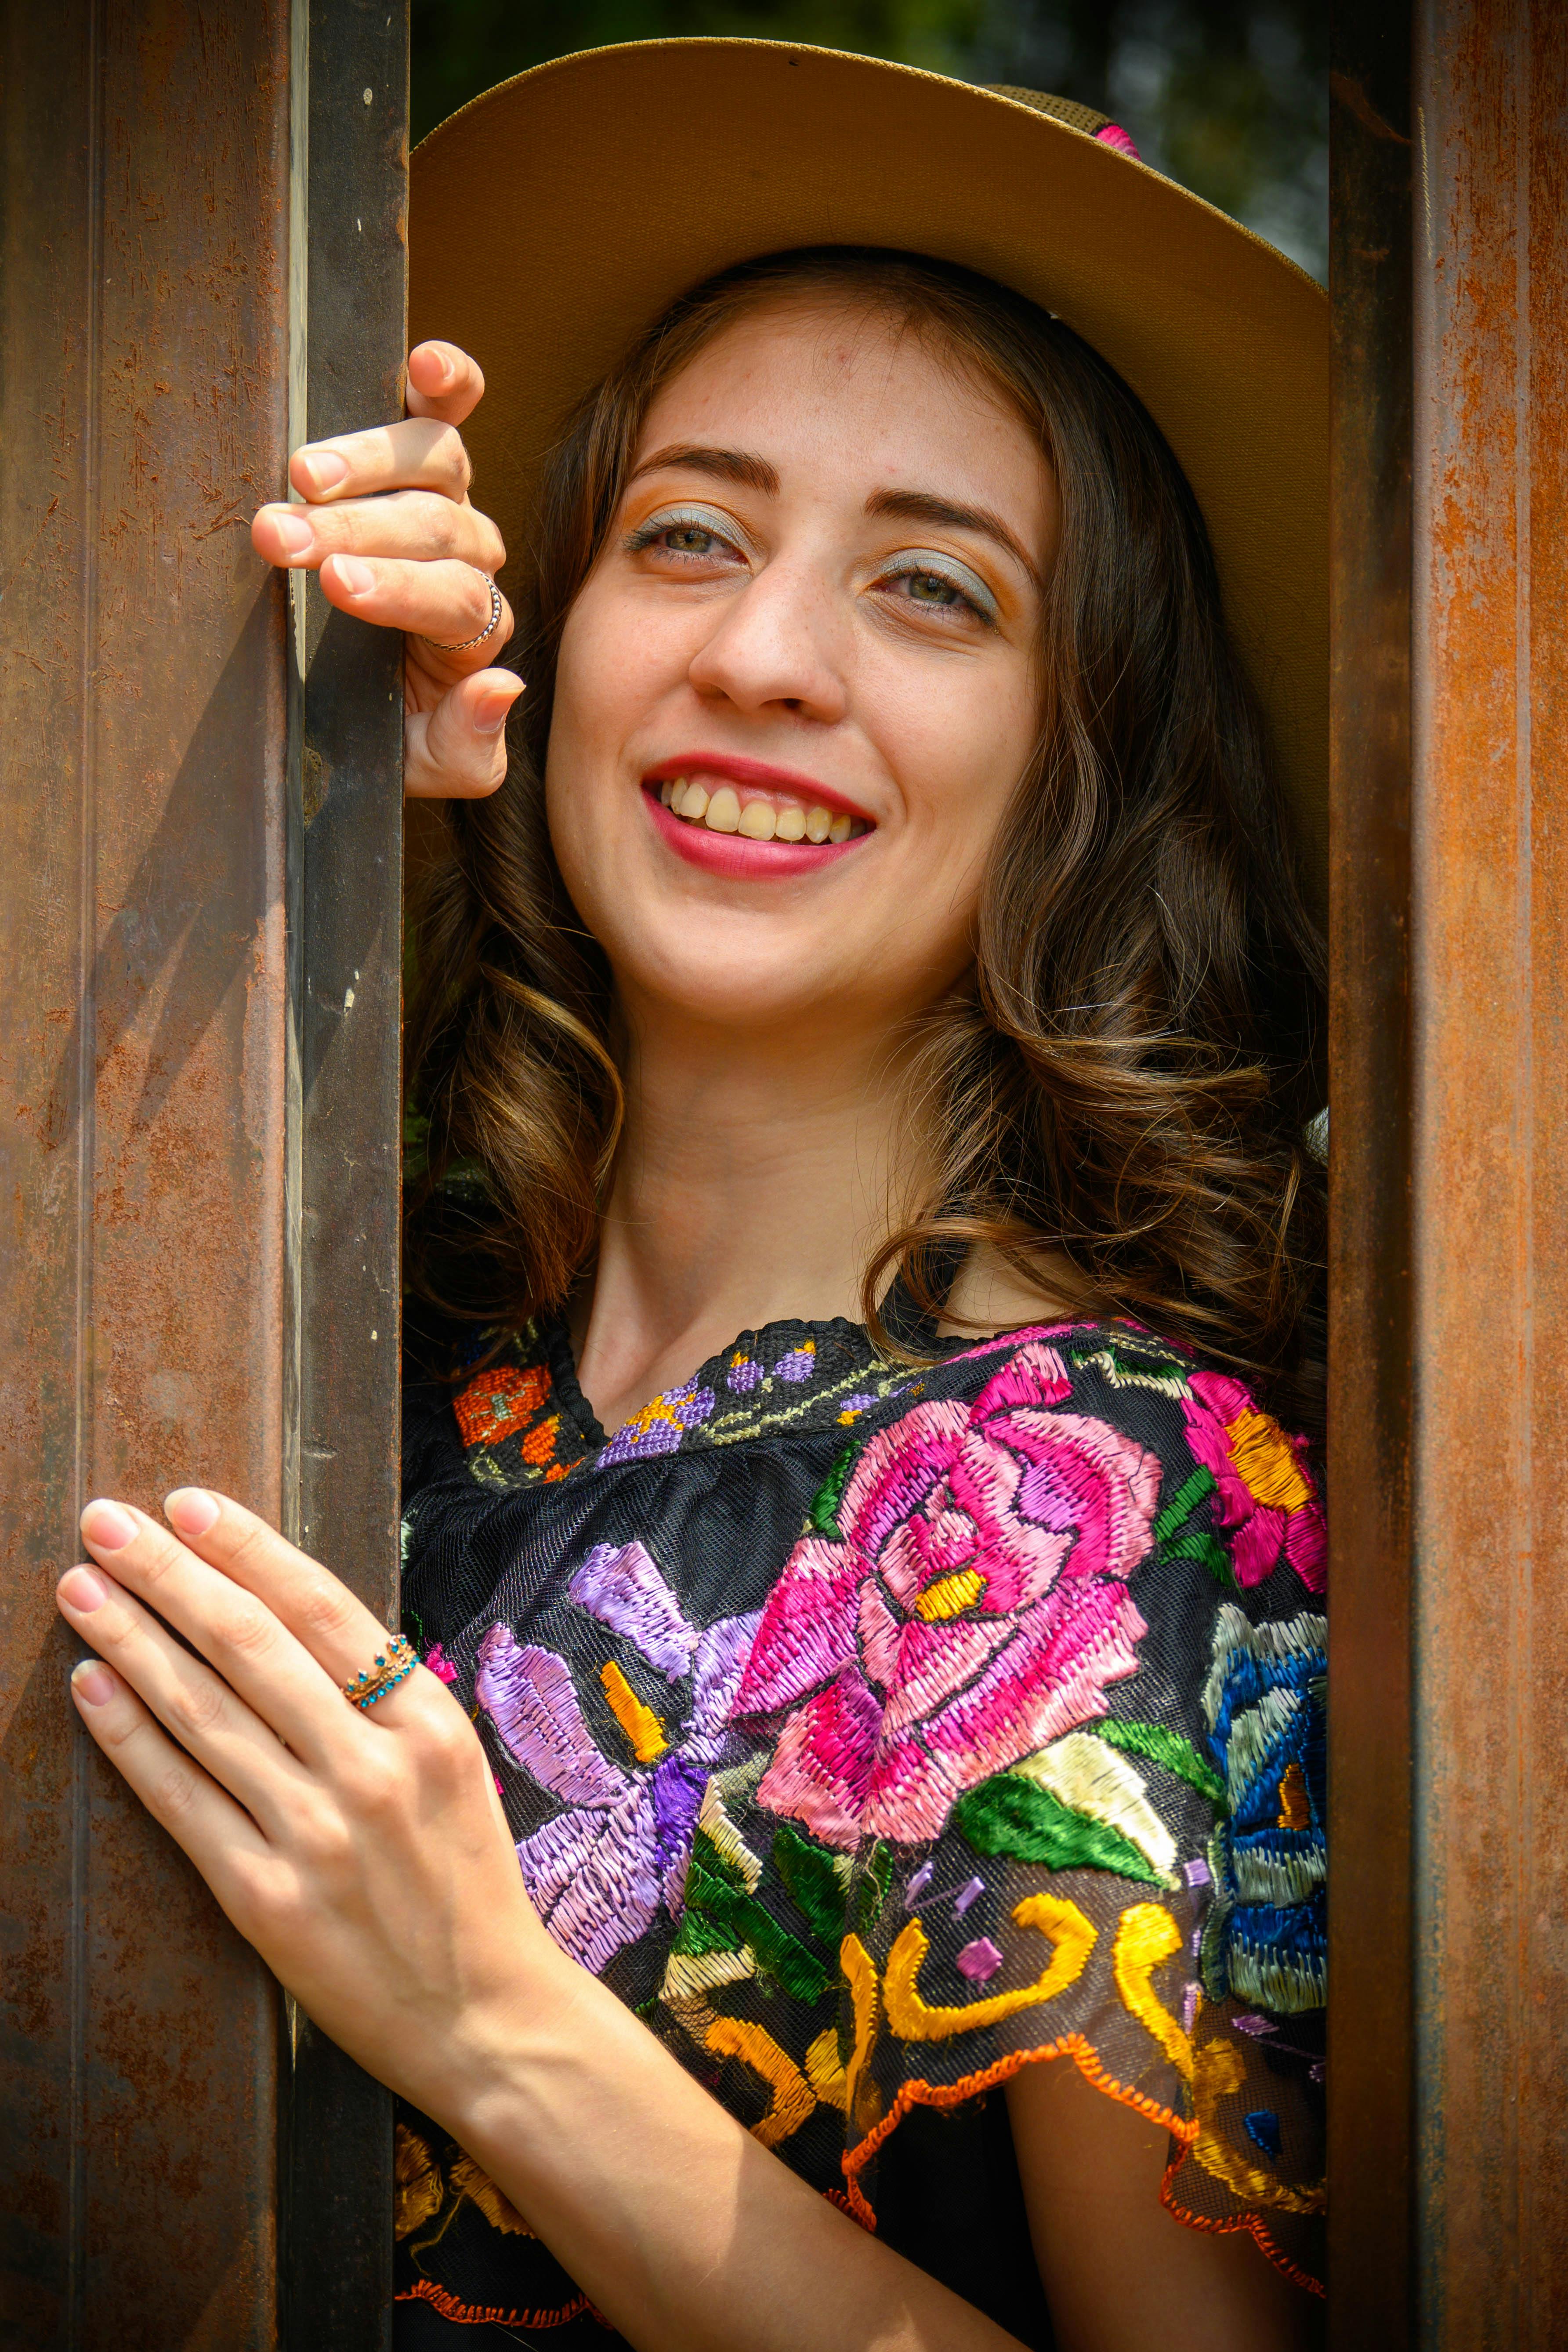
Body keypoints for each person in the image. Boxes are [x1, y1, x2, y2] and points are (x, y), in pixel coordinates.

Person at [54, 41, 1328, 2352]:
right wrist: (300, 811)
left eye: (932, 592)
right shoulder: (295, 1334)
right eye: (686, 535)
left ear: (1091, 760)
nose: (757, 655)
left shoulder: (1110, 1489)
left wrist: (489, 2021)